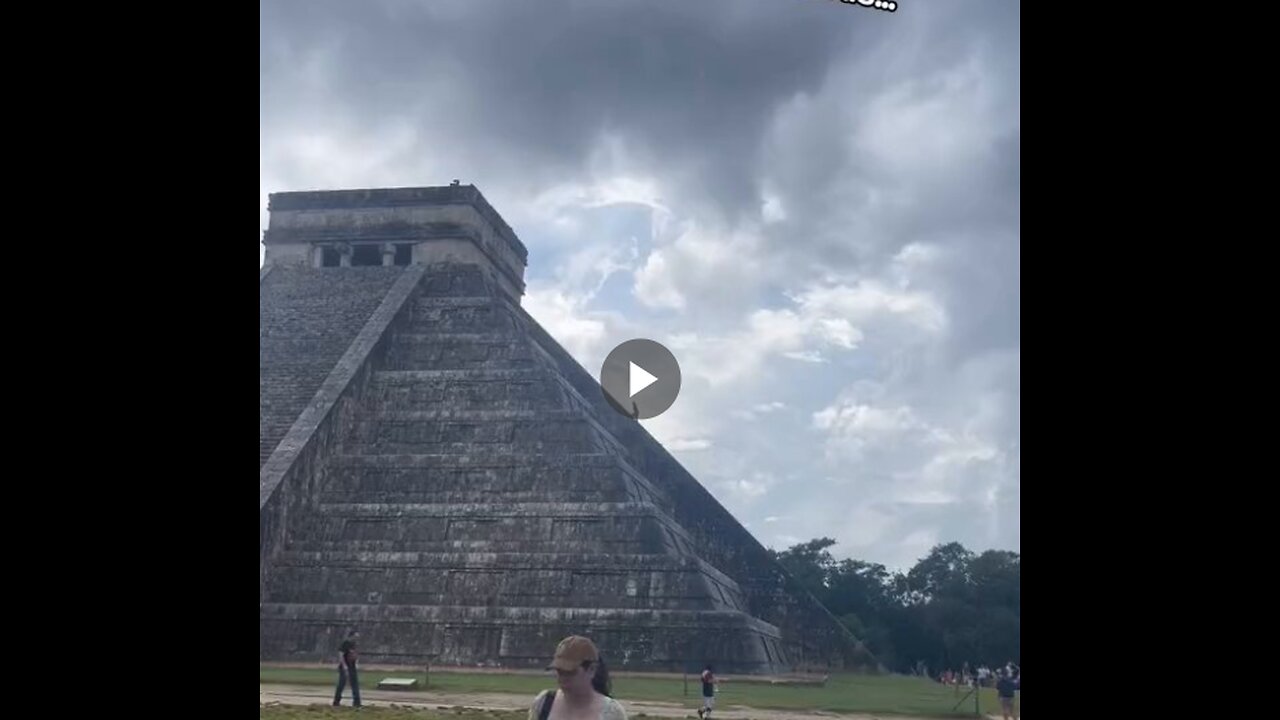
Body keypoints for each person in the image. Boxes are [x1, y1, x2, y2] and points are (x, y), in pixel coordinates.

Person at [529, 636, 626, 720]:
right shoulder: (543, 704)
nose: (562, 678)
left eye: (570, 672)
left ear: (591, 669)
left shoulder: (612, 713)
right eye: (559, 671)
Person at [333, 629, 361, 707]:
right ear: (351, 636)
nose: (356, 638)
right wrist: (344, 666)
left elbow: (355, 655)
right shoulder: (346, 643)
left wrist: (356, 663)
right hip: (345, 667)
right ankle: (336, 701)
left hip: (352, 666)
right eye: (355, 636)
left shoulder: (355, 644)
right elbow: (341, 655)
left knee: (355, 684)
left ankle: (357, 703)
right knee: (341, 684)